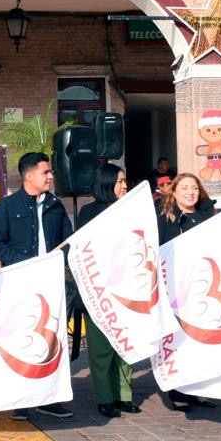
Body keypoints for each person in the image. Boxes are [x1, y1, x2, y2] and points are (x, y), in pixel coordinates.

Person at [0, 151, 74, 420]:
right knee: (23, 341)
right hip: (20, 284)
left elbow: (68, 240)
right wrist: (29, 261)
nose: (50, 176)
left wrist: (63, 258)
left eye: (50, 172)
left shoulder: (55, 206)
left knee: (52, 340)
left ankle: (49, 397)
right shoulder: (6, 207)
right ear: (29, 175)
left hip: (51, 285)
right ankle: (22, 400)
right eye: (45, 172)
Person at [76, 163, 140, 420]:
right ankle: (105, 398)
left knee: (125, 346)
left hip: (128, 288)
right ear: (106, 183)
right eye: (120, 181)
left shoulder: (133, 210)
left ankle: (124, 395)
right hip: (98, 290)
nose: (125, 186)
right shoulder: (89, 212)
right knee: (102, 349)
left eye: (125, 181)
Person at [156, 172, 217, 412]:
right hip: (174, 288)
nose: (190, 192)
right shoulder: (165, 218)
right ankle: (178, 391)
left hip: (202, 286)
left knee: (201, 340)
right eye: (185, 188)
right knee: (179, 341)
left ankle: (199, 390)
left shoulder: (206, 217)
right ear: (174, 192)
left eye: (194, 188)